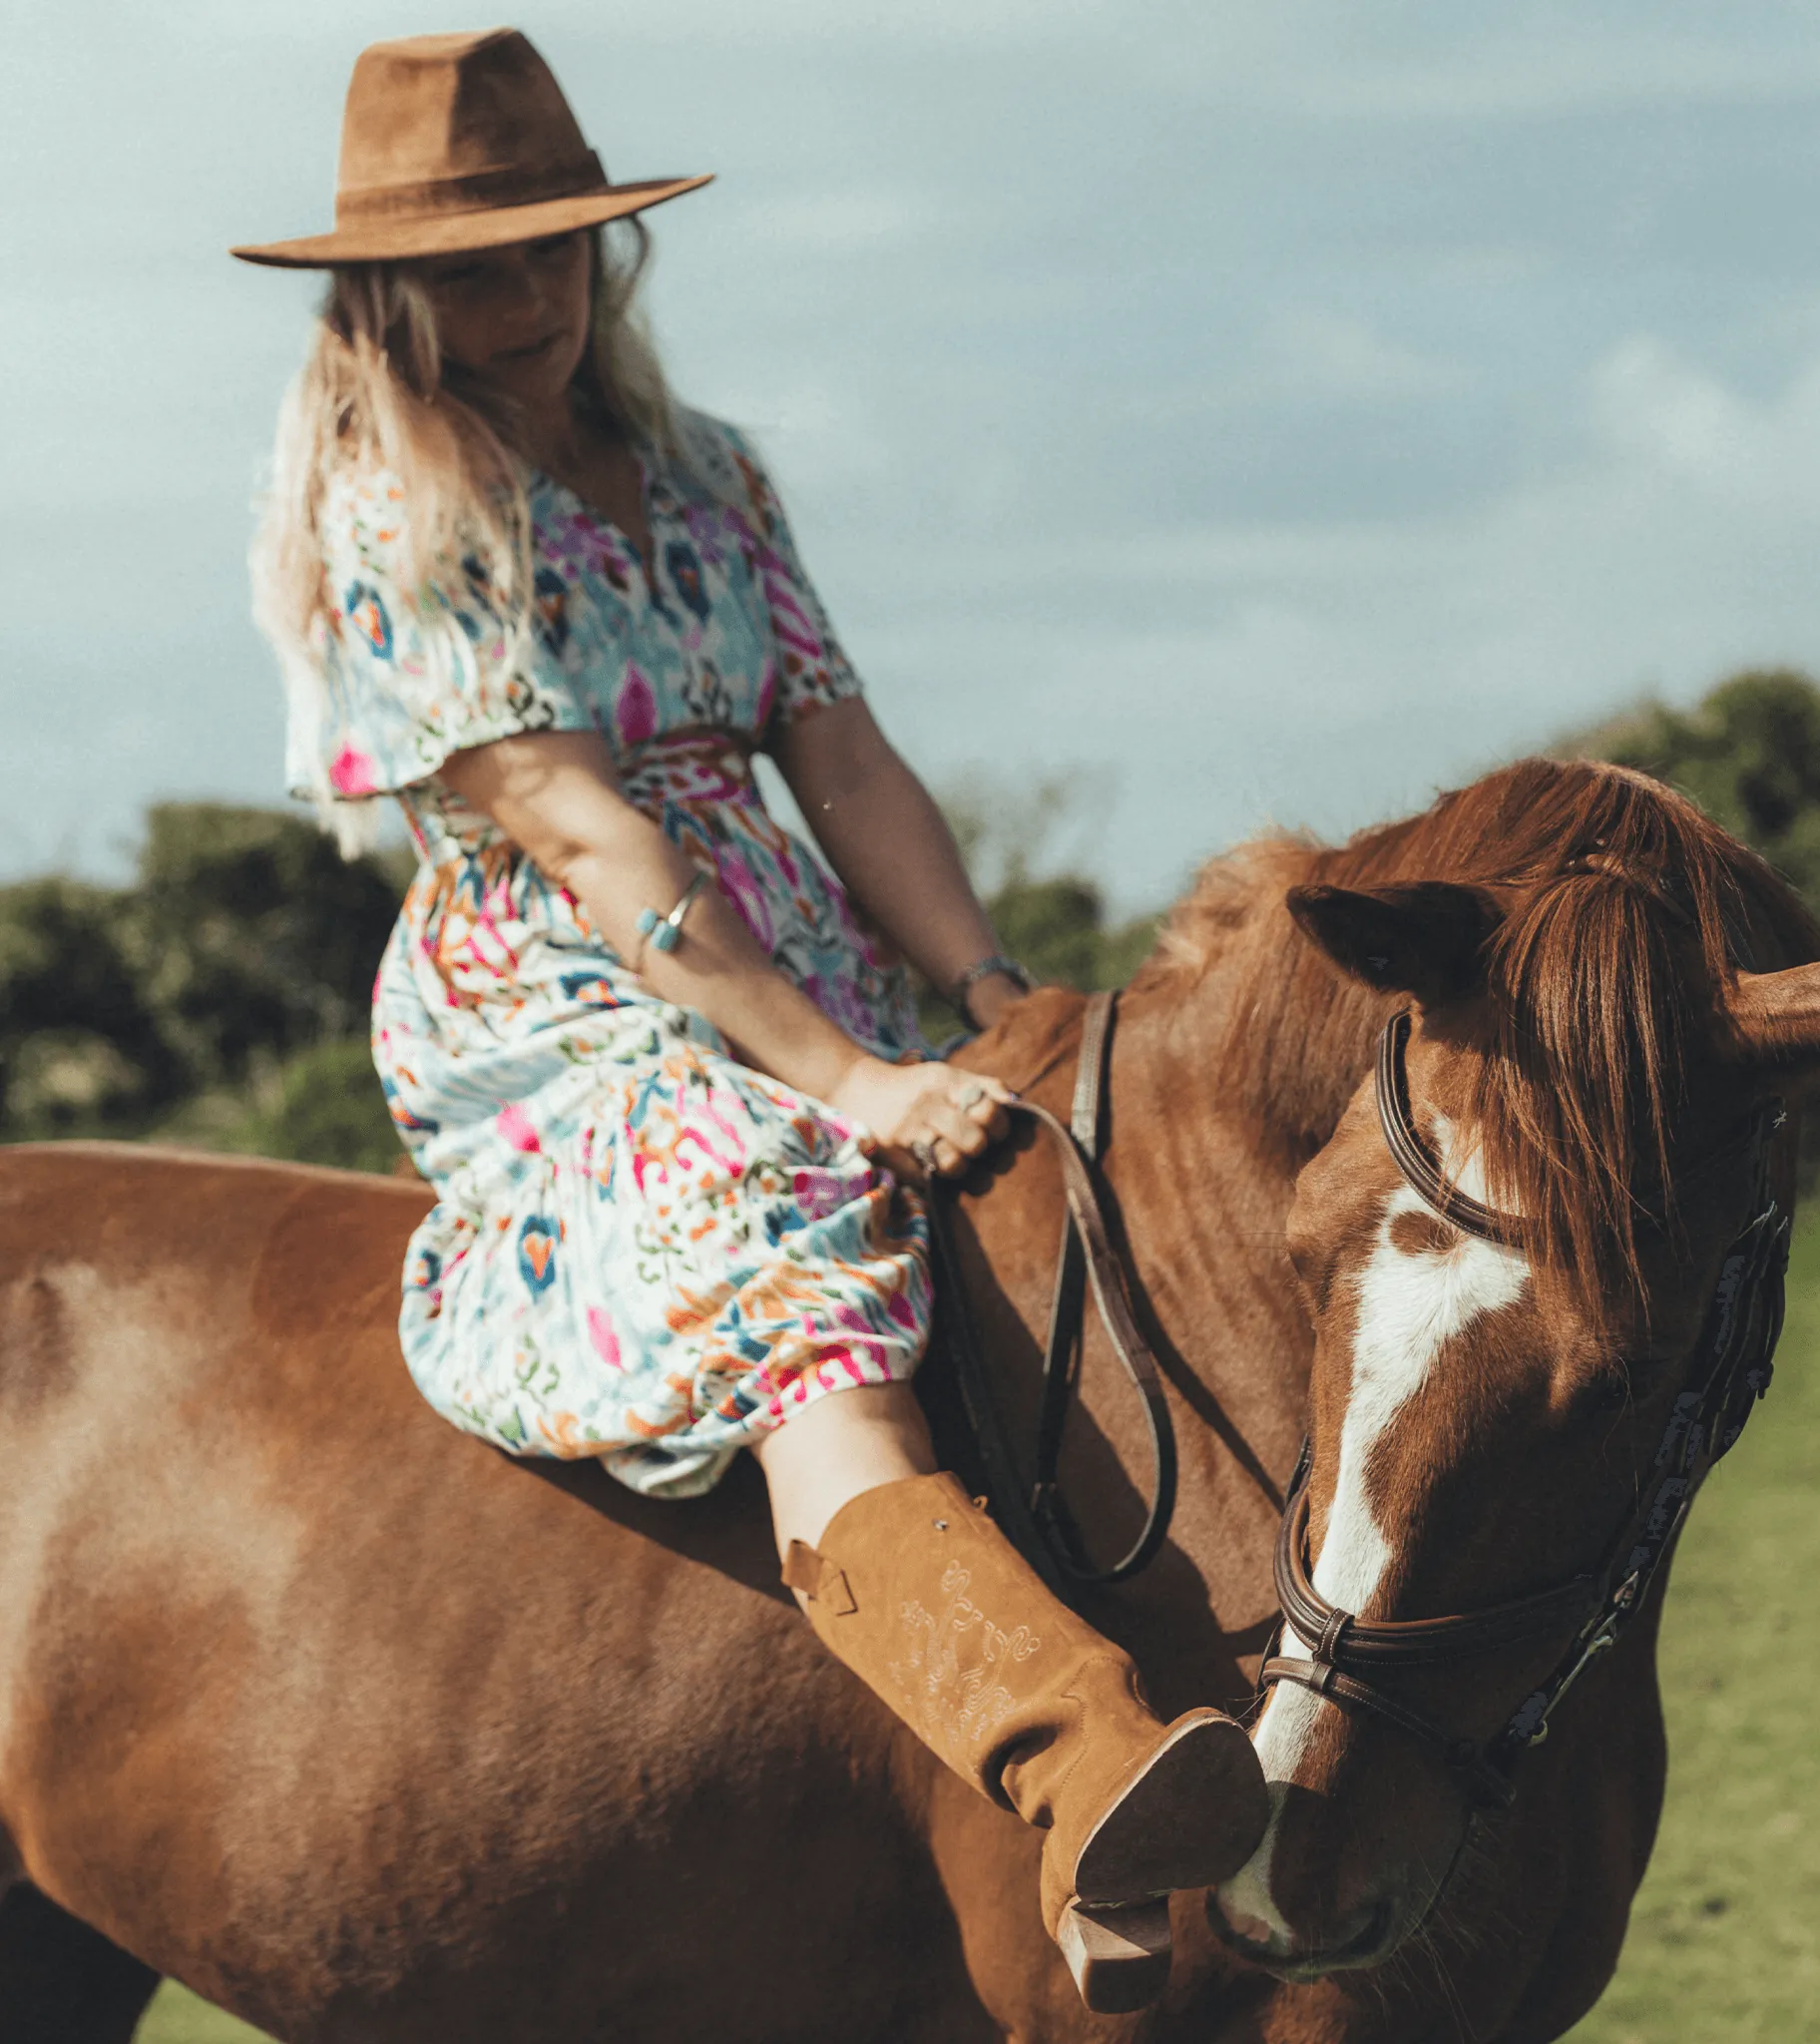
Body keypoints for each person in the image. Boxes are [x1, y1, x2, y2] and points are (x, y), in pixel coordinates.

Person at [235, 28, 1265, 2010]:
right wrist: (848, 1075)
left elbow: (843, 752)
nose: (522, 301)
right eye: (468, 269)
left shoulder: (711, 474)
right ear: (386, 292)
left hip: (802, 934)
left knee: (1070, 1173)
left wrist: (977, 988)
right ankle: (1075, 1761)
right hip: (572, 980)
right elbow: (570, 824)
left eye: (552, 256)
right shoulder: (396, 509)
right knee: (787, 1225)